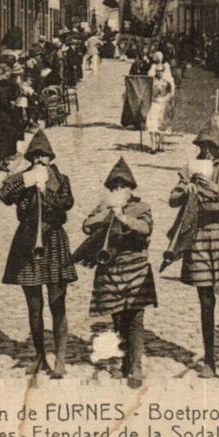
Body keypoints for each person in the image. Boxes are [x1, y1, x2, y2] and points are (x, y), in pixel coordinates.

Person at [168, 124, 219, 388]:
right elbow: (172, 198)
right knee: (205, 301)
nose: (205, 151)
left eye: (210, 147)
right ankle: (210, 361)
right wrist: (185, 191)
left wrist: (214, 188)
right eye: (202, 146)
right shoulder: (192, 167)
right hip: (200, 236)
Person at [0, 131, 76, 378]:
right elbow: (4, 195)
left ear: (51, 158)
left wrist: (45, 192)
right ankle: (40, 356)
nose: (40, 160)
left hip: (53, 241)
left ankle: (60, 358)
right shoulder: (24, 178)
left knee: (57, 302)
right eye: (36, 156)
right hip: (28, 242)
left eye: (44, 156)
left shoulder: (61, 179)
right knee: (34, 306)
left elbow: (66, 205)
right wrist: (28, 182)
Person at [81, 158, 156, 388]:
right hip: (111, 270)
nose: (117, 191)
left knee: (135, 319)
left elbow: (145, 228)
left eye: (121, 187)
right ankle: (124, 360)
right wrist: (108, 213)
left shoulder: (141, 207)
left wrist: (123, 216)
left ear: (130, 189)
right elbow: (86, 225)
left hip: (135, 267)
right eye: (113, 187)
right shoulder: (104, 206)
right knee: (118, 319)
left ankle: (135, 366)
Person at [145, 65, 173, 154]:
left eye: (161, 71)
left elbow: (170, 94)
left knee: (161, 125)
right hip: (153, 104)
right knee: (152, 125)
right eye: (157, 71)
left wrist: (166, 100)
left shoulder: (166, 83)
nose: (159, 72)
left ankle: (160, 144)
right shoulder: (151, 82)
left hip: (163, 105)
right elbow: (147, 92)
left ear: (163, 71)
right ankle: (153, 146)